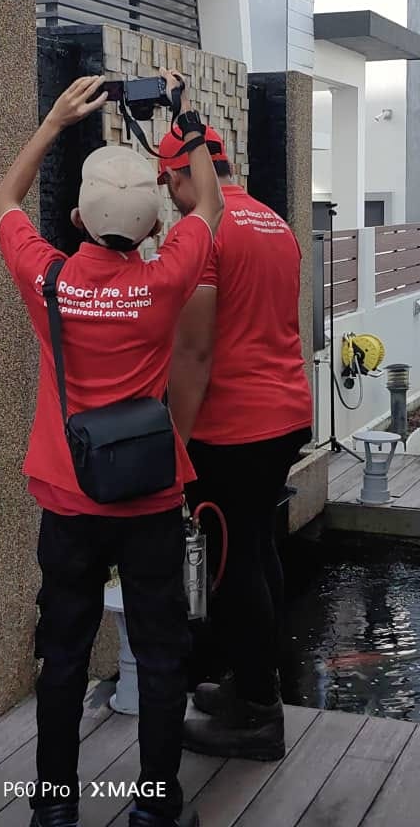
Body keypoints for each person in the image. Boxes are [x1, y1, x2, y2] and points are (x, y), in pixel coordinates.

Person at [0, 70, 224, 827]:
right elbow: (211, 205)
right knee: (160, 656)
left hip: (68, 496)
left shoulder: (49, 280)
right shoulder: (166, 277)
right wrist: (185, 118)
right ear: (152, 230)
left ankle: (55, 809)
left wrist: (55, 122)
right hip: (151, 498)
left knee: (62, 656)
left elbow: (2, 201)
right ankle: (155, 809)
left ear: (75, 219)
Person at [160, 127, 313, 762]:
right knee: (256, 549)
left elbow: (194, 352)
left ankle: (257, 717)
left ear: (181, 175)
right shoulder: (275, 223)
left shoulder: (204, 232)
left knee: (232, 566)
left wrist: (175, 442)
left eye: (169, 184)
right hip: (286, 414)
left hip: (232, 428)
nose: (171, 199)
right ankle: (254, 684)